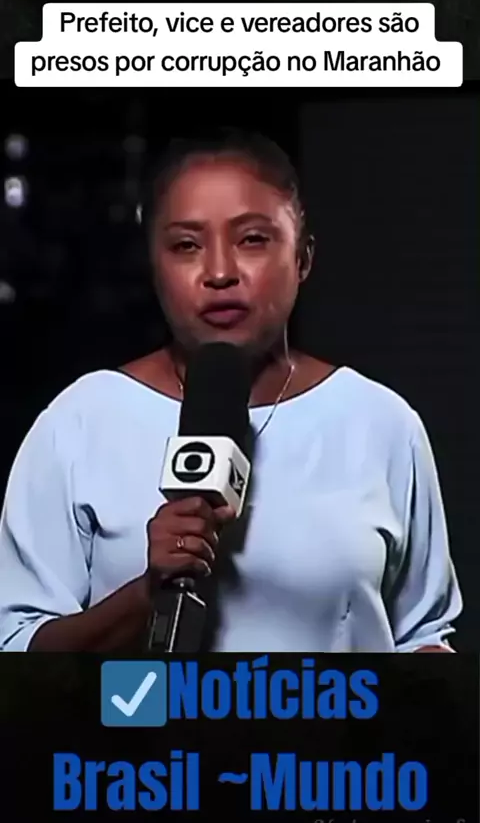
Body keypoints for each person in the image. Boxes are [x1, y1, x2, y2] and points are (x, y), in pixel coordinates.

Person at [0, 127, 461, 653]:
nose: (219, 273)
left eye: (252, 240)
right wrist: (148, 593)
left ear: (303, 258)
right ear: (154, 267)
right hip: (147, 710)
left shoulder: (381, 422)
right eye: (186, 245)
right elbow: (17, 649)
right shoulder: (80, 421)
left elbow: (424, 636)